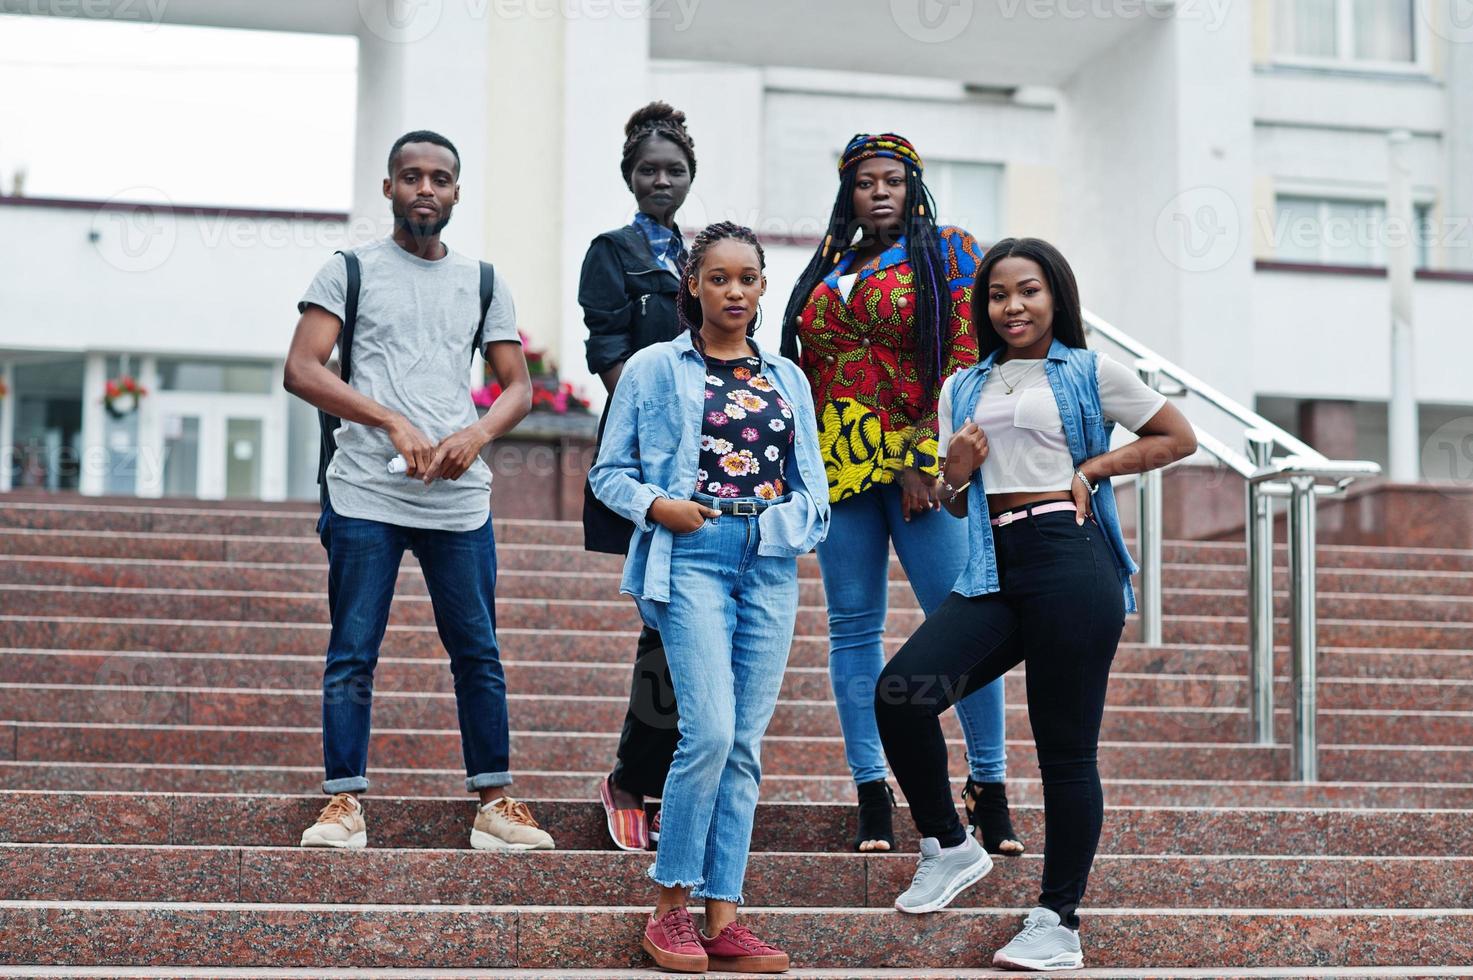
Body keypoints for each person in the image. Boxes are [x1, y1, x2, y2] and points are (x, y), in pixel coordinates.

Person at [876, 238, 1198, 971]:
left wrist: (1095, 466)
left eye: (1027, 291)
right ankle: (951, 846)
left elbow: (1175, 437)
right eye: (996, 295)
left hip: (1070, 557)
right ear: (981, 306)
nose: (1012, 306)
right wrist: (952, 476)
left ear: (1055, 295)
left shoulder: (1088, 370)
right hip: (994, 564)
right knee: (900, 693)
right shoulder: (962, 386)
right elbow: (956, 506)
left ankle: (1058, 920)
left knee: (1064, 749)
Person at [284, 129, 553, 852]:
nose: (424, 189)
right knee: (353, 650)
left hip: (458, 501)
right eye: (410, 177)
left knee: (478, 652)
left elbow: (518, 387)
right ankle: (343, 803)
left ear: (457, 192)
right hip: (366, 492)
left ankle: (494, 803)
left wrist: (476, 435)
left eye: (439, 178)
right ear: (388, 189)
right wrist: (389, 419)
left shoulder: (483, 280)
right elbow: (303, 369)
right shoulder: (349, 269)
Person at [590, 222, 829, 974]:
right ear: (690, 284)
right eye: (718, 277)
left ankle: (724, 915)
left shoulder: (788, 377)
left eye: (748, 279)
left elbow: (814, 494)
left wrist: (777, 529)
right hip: (687, 556)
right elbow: (609, 472)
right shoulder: (655, 368)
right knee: (711, 733)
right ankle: (669, 908)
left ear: (762, 288)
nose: (734, 291)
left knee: (746, 748)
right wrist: (660, 507)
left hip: (767, 562)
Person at [780, 132, 1019, 854]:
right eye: (863, 182)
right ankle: (870, 787)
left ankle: (988, 784)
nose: (878, 192)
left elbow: (968, 352)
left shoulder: (948, 248)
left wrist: (925, 456)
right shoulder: (829, 266)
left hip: (920, 467)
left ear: (913, 186)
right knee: (851, 629)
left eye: (891, 180)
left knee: (963, 622)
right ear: (846, 192)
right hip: (839, 469)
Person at [578, 102, 696, 852]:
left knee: (690, 626)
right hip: (647, 464)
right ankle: (630, 780)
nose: (661, 180)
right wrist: (665, 432)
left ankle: (663, 778)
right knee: (662, 622)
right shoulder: (611, 250)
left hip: (715, 463)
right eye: (648, 169)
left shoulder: (702, 255)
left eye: (674, 170)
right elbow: (610, 355)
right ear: (628, 175)